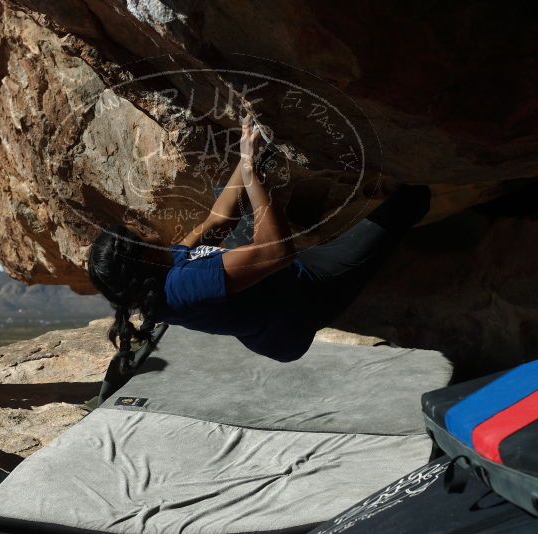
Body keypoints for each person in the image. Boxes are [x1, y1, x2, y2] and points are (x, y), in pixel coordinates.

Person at [88, 115, 430, 364]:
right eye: (139, 237)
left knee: (231, 195)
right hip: (300, 306)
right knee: (408, 204)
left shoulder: (161, 268)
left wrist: (247, 154)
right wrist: (254, 178)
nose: (146, 232)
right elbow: (277, 252)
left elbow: (217, 221)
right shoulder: (184, 286)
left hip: (274, 287)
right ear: (142, 259)